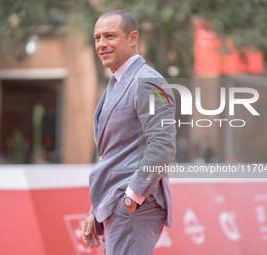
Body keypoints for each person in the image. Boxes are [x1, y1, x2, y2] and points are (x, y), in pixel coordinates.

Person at [82, 9, 176, 255]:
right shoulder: (116, 82)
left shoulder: (149, 81)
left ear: (133, 38)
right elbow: (113, 154)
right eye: (97, 37)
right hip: (115, 205)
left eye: (110, 36)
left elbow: (162, 146)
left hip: (134, 205)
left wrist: (132, 197)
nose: (102, 44)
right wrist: (98, 209)